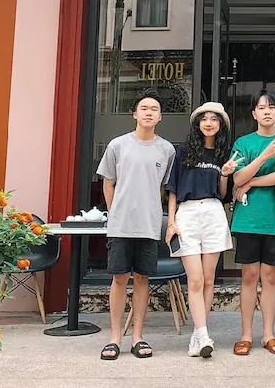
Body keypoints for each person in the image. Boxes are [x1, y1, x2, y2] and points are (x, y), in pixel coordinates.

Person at [96, 90, 176, 361]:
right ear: (134, 114)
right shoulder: (118, 145)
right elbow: (108, 182)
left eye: (154, 109)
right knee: (119, 279)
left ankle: (137, 337)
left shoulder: (167, 149)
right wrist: (114, 212)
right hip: (120, 225)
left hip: (149, 225)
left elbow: (164, 187)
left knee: (143, 279)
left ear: (160, 117)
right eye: (144, 108)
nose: (149, 112)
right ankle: (114, 338)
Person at [165, 102, 241, 358]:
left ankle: (200, 334)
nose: (209, 123)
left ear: (221, 125)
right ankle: (202, 334)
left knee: (209, 280)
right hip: (187, 214)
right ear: (197, 124)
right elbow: (173, 189)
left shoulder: (224, 154)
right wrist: (171, 222)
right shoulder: (183, 151)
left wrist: (225, 174)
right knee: (195, 279)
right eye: (204, 119)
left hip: (213, 212)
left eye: (214, 119)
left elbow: (223, 194)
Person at [229, 89, 275, 356]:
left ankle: (268, 334)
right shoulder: (243, 143)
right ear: (254, 114)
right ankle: (245, 335)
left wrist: (252, 182)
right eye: (261, 107)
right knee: (248, 276)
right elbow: (237, 178)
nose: (267, 111)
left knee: (270, 277)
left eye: (272, 107)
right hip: (247, 219)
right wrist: (263, 157)